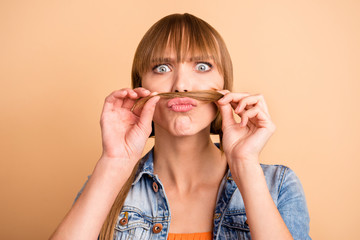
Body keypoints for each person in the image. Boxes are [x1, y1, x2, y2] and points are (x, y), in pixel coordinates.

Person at [50, 13, 311, 240]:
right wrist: (114, 162)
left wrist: (244, 164)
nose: (181, 85)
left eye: (202, 66)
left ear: (224, 85)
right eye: (162, 67)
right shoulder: (107, 184)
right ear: (141, 88)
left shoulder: (278, 186)